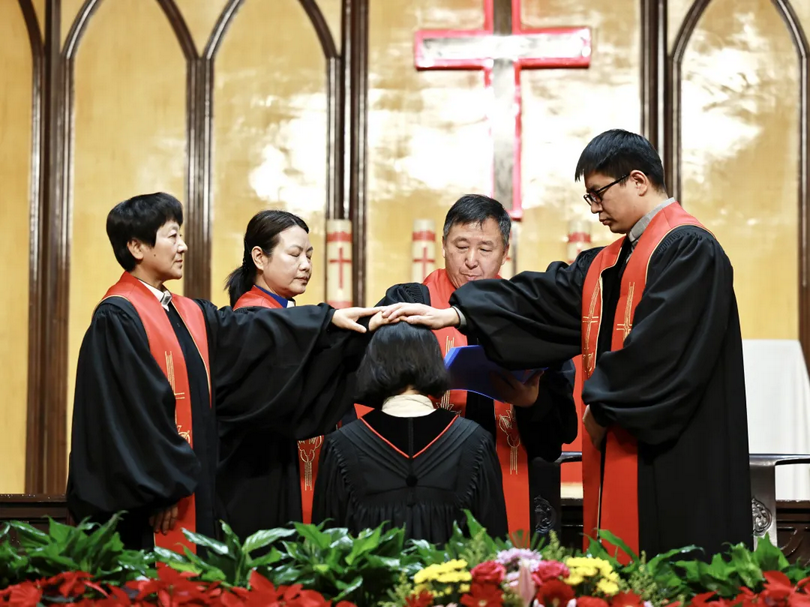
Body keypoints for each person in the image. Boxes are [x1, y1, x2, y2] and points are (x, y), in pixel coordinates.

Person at [384, 130, 752, 560]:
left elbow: (663, 349)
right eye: (589, 198)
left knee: (672, 559)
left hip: (672, 451)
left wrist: (603, 406)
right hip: (624, 441)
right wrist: (460, 314)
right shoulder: (611, 260)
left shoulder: (688, 248)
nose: (594, 209)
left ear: (637, 181)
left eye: (598, 194)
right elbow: (546, 297)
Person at [67, 193, 378, 552]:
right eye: (173, 236)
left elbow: (249, 332)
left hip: (190, 495)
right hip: (151, 505)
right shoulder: (119, 317)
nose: (183, 246)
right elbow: (130, 415)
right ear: (137, 246)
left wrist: (328, 321)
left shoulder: (186, 313)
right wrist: (162, 486)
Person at [378, 195, 577, 539]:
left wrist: (532, 402)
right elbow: (371, 388)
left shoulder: (529, 314)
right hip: (420, 481)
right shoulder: (408, 302)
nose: (471, 261)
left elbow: (558, 435)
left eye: (485, 249)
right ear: (443, 245)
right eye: (460, 246)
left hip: (503, 479)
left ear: (505, 251)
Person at [219, 209, 369, 539]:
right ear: (259, 257)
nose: (306, 265)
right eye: (295, 254)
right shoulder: (253, 320)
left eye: (309, 256)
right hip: (257, 474)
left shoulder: (283, 315)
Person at [312, 322, 508, 543]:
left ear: (372, 366)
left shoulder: (341, 445)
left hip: (371, 577)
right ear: (435, 363)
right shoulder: (475, 441)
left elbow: (324, 549)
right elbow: (494, 547)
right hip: (452, 577)